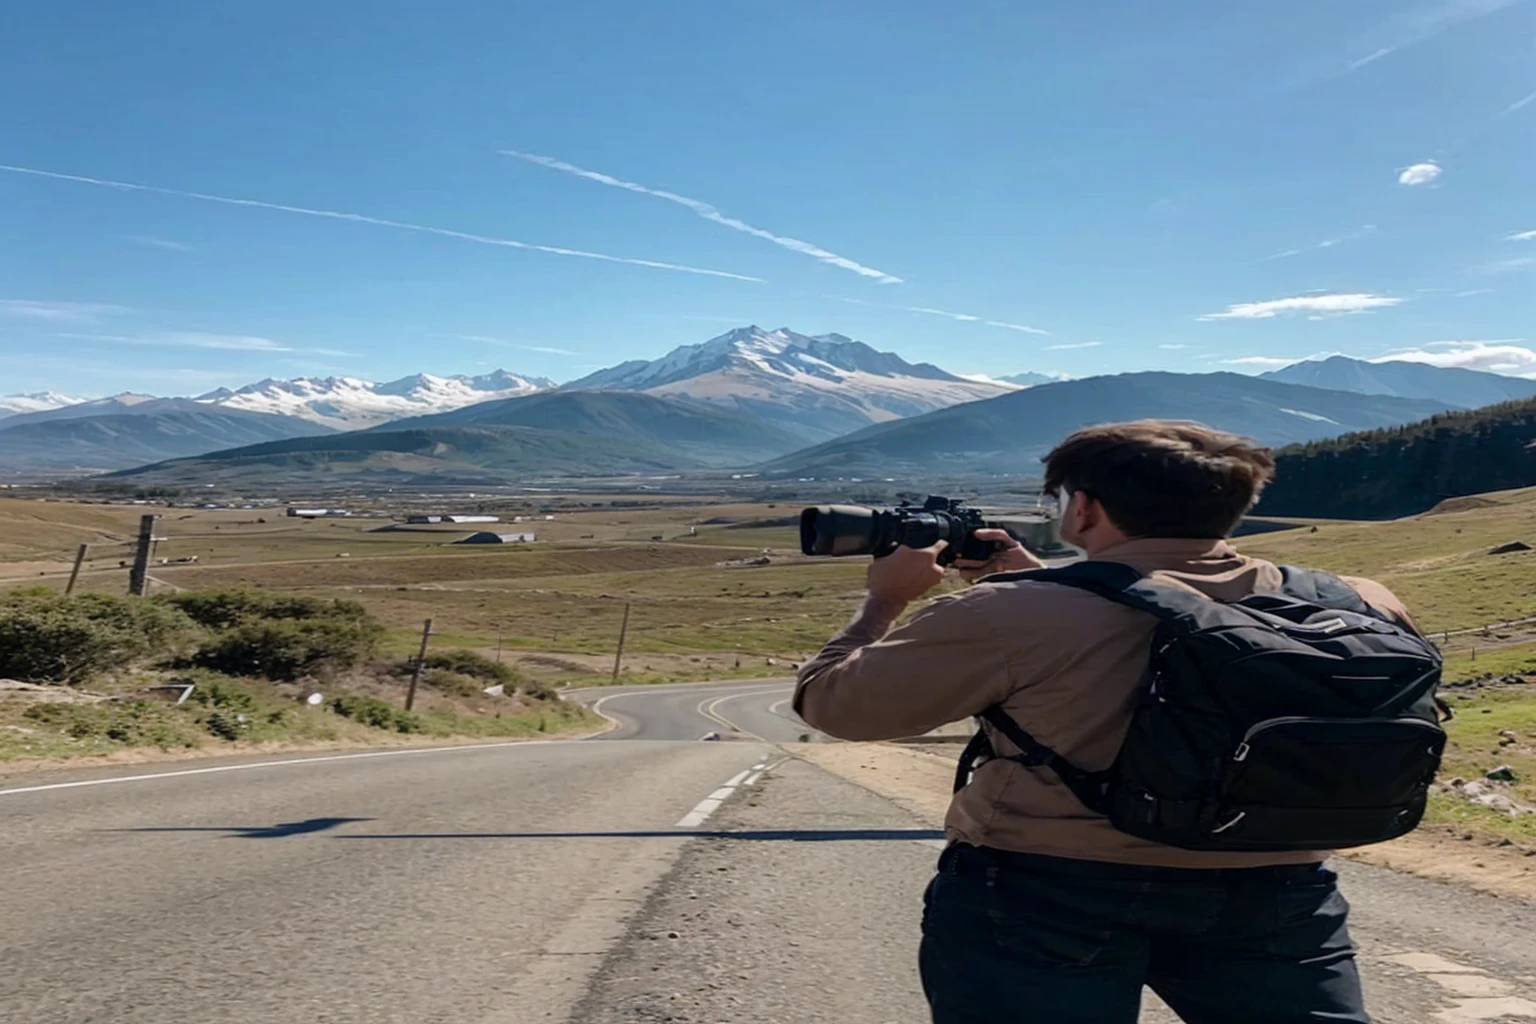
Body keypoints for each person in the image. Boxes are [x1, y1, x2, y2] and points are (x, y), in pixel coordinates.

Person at [794, 420, 1415, 1024]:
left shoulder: (1011, 614)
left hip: (1044, 890)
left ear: (1084, 510)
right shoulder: (1357, 599)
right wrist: (1048, 582)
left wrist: (886, 599)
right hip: (1276, 886)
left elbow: (834, 706)